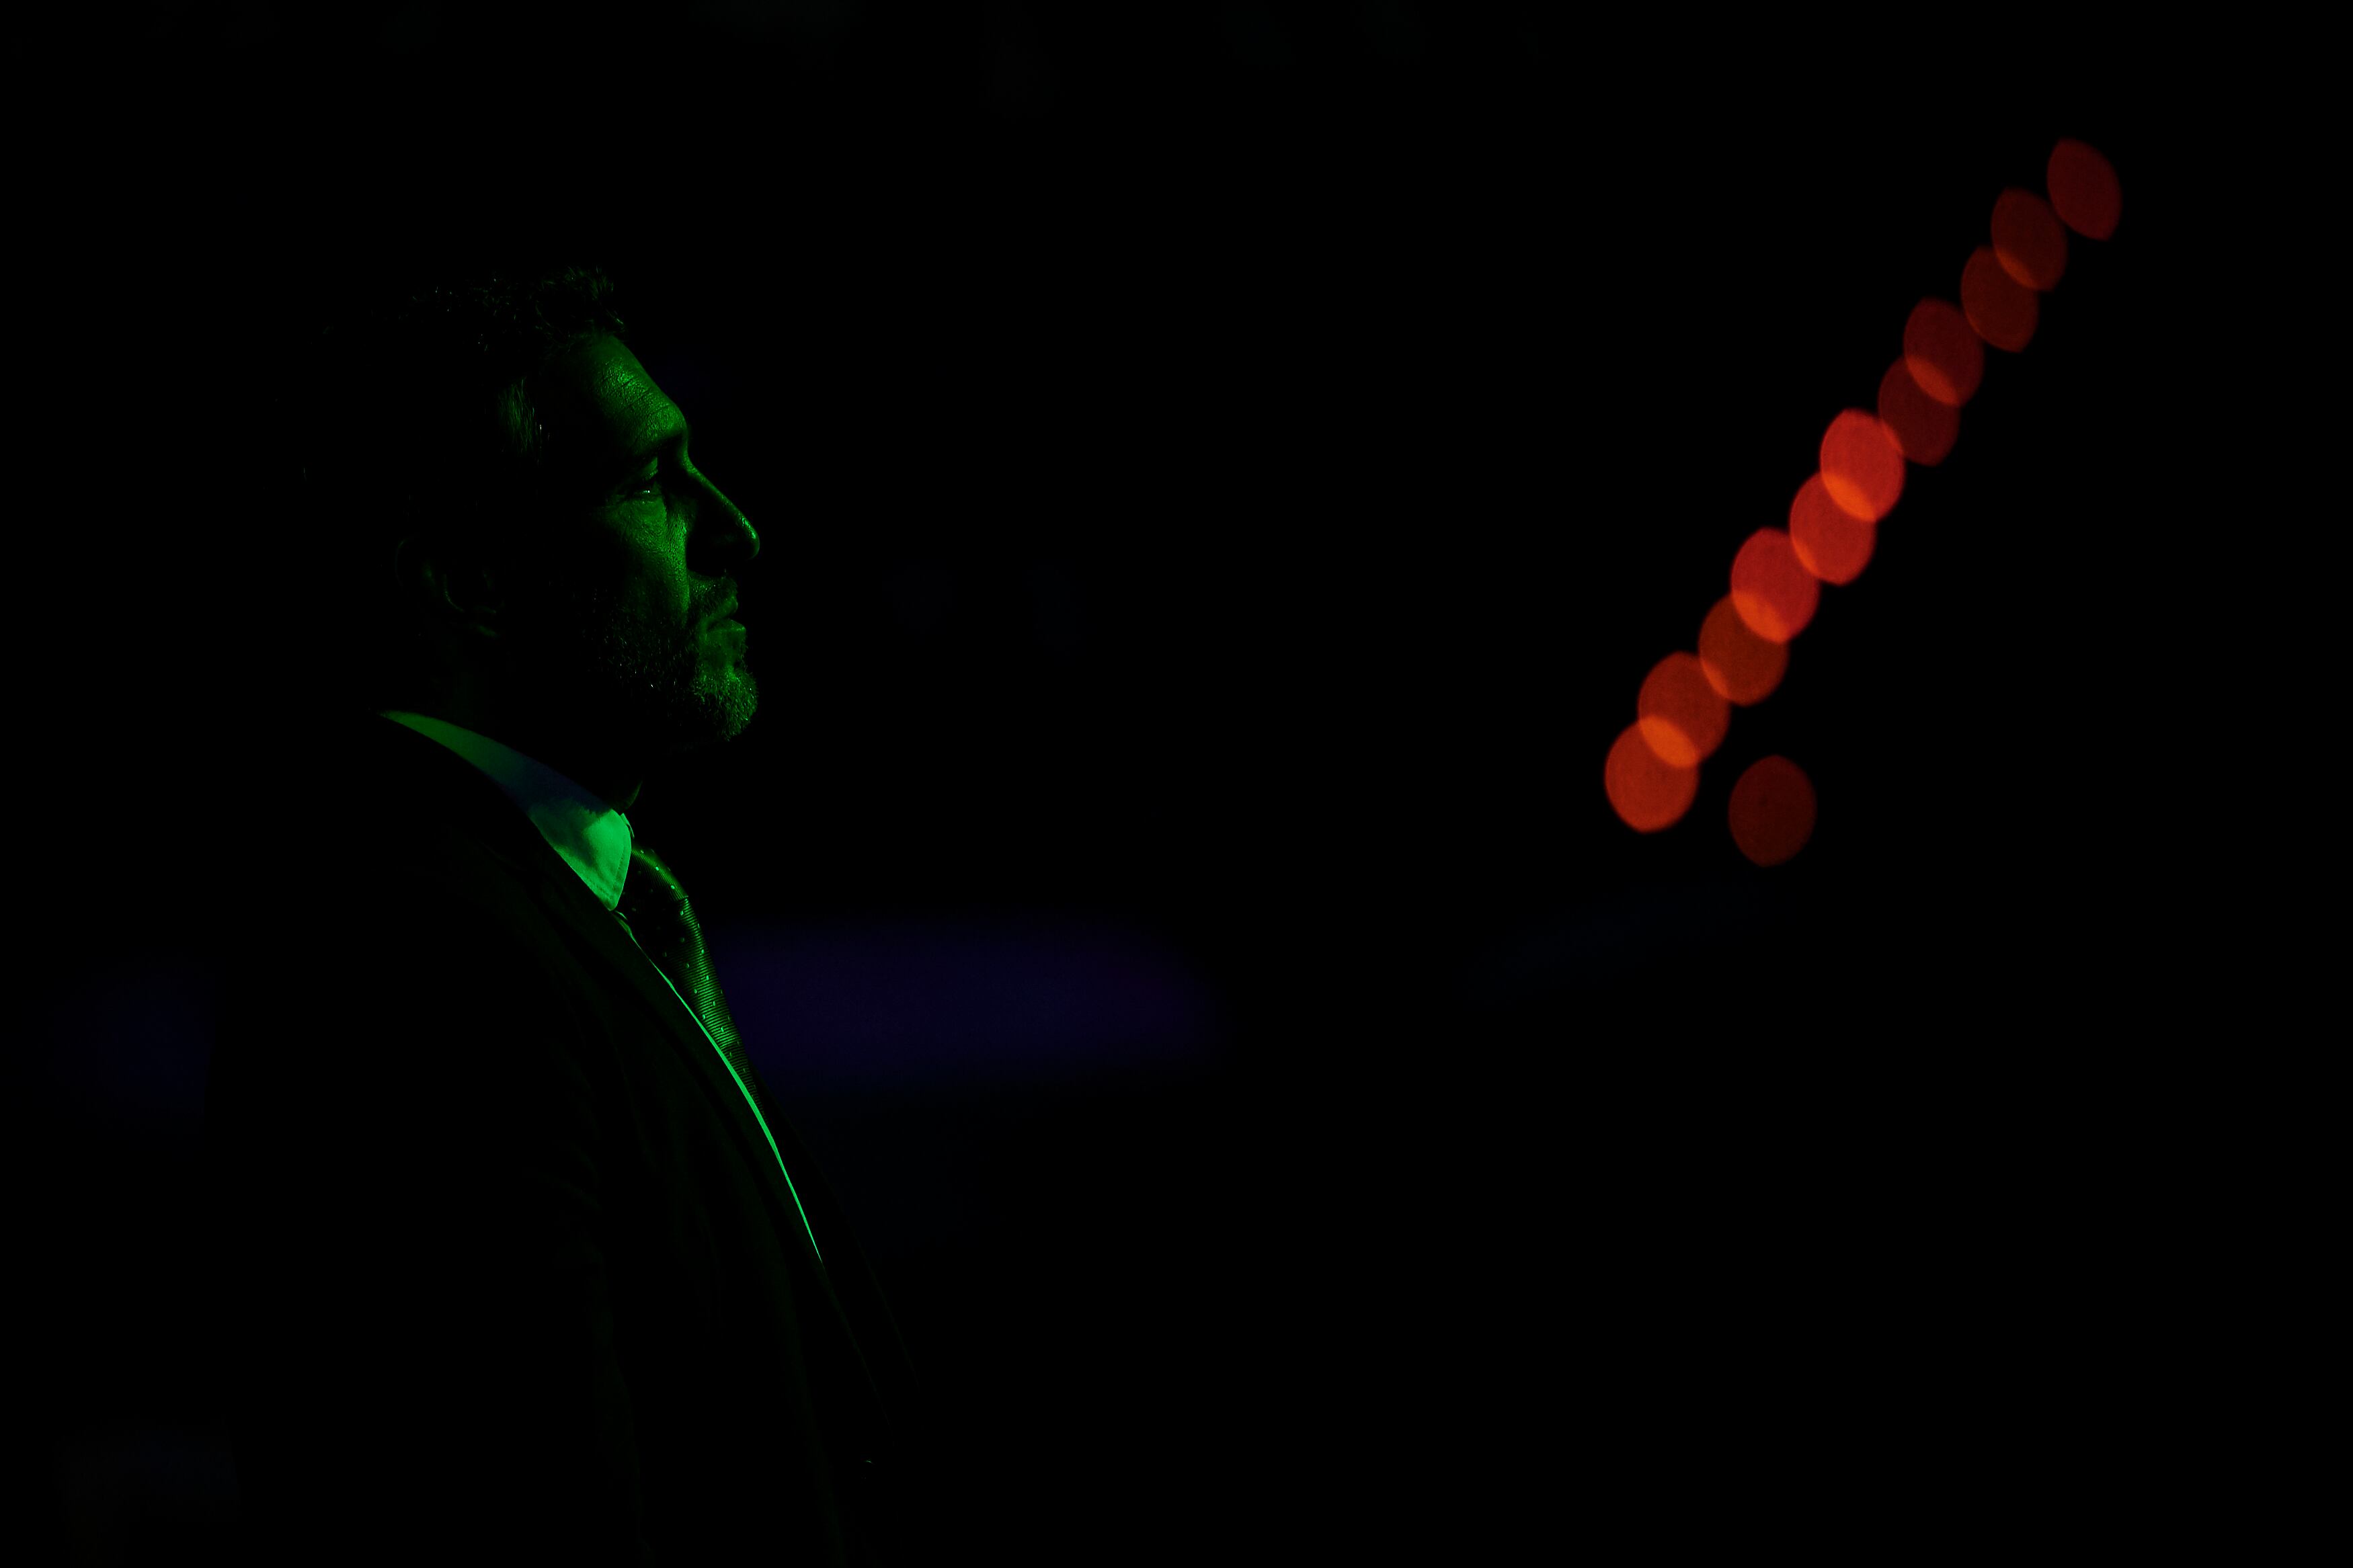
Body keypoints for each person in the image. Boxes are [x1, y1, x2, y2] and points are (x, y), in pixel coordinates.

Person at [202, 262, 932, 1565]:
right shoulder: (422, 953)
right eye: (652, 482)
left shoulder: (532, 912)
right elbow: (534, 1530)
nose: (738, 530)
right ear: (469, 580)